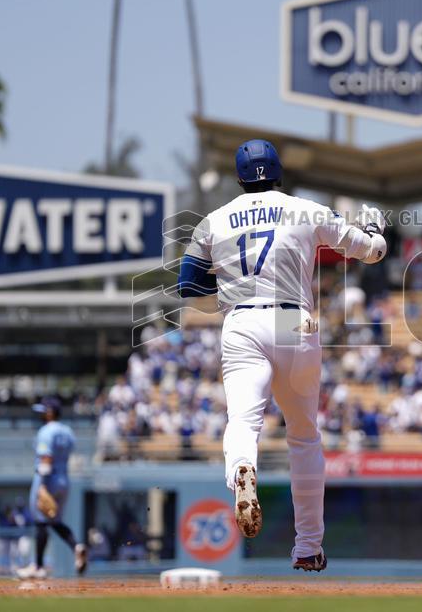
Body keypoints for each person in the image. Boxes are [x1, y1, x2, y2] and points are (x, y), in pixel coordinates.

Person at [177, 139, 387, 572]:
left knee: (243, 422)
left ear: (238, 179)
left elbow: (188, 286)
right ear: (278, 174)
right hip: (295, 321)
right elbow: (370, 251)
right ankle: (308, 546)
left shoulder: (213, 221)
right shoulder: (305, 209)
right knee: (304, 436)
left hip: (242, 321)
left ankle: (241, 470)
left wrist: (233, 290)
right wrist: (376, 230)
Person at [16, 397, 87, 579]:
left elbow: (46, 459)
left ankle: (38, 566)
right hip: (64, 479)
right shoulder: (67, 431)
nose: (39, 414)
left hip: (48, 478)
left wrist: (43, 486)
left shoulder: (46, 431)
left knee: (40, 522)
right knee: (54, 521)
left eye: (42, 411)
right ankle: (76, 546)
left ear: (50, 412)